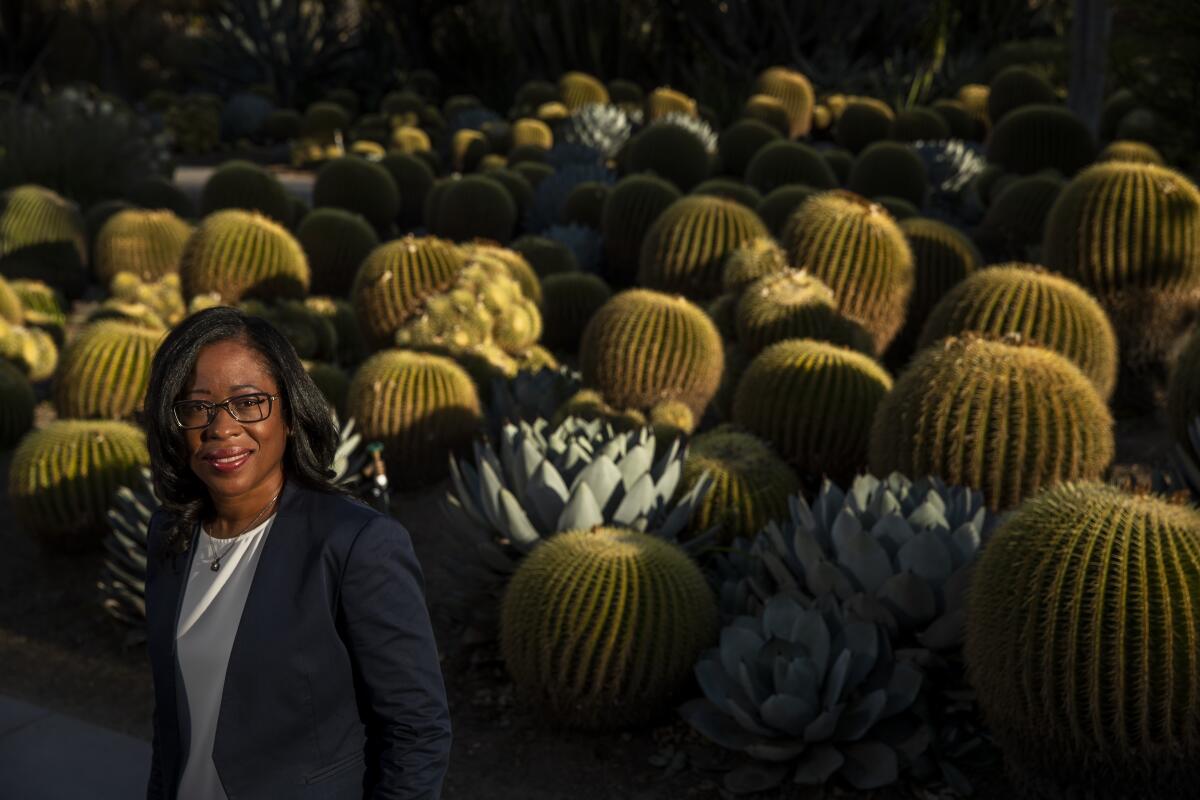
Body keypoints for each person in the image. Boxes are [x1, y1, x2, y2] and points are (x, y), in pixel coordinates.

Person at [142, 306, 451, 799]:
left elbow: (417, 731)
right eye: (197, 407)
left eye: (248, 403)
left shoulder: (354, 546)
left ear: (289, 412)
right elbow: (173, 720)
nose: (222, 428)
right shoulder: (171, 535)